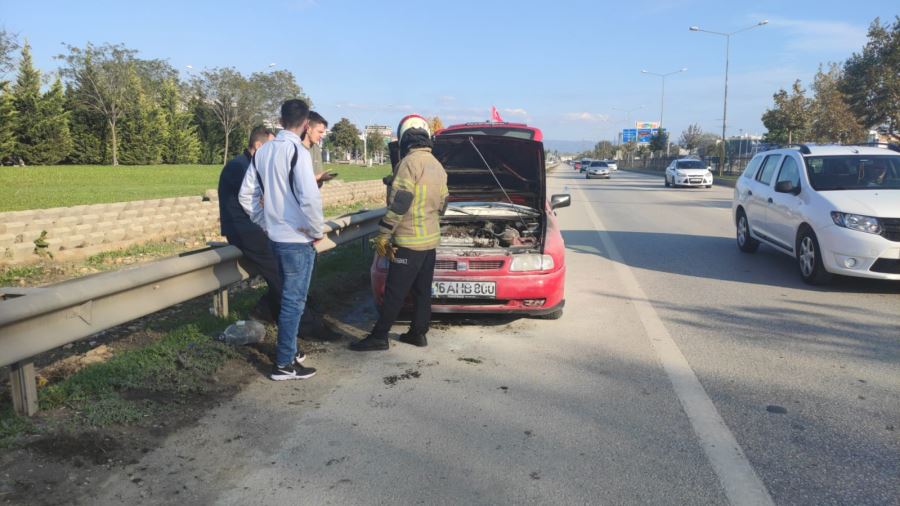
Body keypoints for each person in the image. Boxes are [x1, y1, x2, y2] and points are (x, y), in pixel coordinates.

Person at [239, 99, 323, 380]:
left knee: (286, 299)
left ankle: (289, 352)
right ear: (305, 124)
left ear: (280, 118)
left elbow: (246, 195)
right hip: (297, 240)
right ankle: (284, 363)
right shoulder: (297, 152)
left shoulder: (263, 152)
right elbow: (309, 197)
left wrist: (264, 222)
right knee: (293, 303)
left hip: (274, 237)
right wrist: (315, 230)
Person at [350, 114, 448, 352]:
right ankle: (418, 333)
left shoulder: (407, 163)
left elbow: (400, 202)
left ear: (405, 140)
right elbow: (443, 203)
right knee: (423, 290)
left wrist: (384, 233)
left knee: (395, 291)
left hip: (408, 241)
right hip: (429, 242)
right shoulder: (437, 164)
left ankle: (379, 336)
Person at [217, 126, 280, 322]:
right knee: (279, 272)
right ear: (258, 145)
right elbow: (256, 200)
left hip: (253, 226)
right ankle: (296, 319)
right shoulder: (239, 167)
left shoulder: (250, 165)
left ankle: (266, 311)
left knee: (286, 267)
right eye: (271, 148)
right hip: (244, 229)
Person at [301, 111, 335, 187]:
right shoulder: (294, 148)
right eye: (319, 132)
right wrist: (319, 177)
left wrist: (322, 178)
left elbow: (318, 176)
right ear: (308, 128)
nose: (321, 136)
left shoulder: (316, 148)